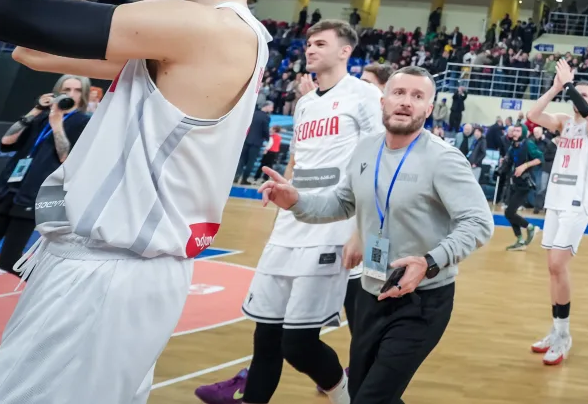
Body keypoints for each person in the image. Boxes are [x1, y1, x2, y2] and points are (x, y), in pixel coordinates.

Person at [0, 0, 281, 403]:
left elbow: (4, 11)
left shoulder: (205, 29)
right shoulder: (194, 39)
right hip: (106, 269)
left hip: (109, 275)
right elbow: (34, 49)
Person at [258, 67, 493, 403]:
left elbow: (478, 222)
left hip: (422, 301)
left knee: (372, 398)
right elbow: (342, 202)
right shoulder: (366, 149)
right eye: (399, 93)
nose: (406, 102)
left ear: (429, 109)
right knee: (364, 392)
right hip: (370, 292)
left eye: (417, 96)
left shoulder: (443, 159)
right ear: (383, 101)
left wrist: (429, 262)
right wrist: (297, 201)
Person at [196, 21, 385, 404]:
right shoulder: (305, 104)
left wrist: (361, 231)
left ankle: (347, 396)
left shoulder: (364, 95)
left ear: (345, 51)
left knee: (298, 343)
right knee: (265, 336)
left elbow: (377, 162)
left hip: (333, 225)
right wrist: (283, 190)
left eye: (321, 43)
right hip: (290, 223)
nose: (310, 49)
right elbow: (298, 160)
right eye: (309, 43)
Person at [526, 59, 588, 366]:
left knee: (558, 264)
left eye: (586, 95)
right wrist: (555, 87)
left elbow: (586, 112)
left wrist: (570, 85)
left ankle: (564, 335)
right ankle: (556, 330)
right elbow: (533, 116)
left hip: (577, 204)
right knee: (553, 269)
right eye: (578, 94)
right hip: (556, 201)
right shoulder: (563, 122)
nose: (580, 98)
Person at [0, 76, 92, 275]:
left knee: (9, 260)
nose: (71, 94)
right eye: (66, 89)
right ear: (57, 91)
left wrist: (57, 124)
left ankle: (48, 285)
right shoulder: (40, 117)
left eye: (77, 90)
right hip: (7, 191)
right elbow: (7, 141)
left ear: (83, 95)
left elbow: (65, 158)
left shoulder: (83, 122)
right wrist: (36, 109)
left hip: (34, 195)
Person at [502, 124, 543, 250]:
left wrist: (525, 166)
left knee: (509, 212)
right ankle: (520, 240)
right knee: (509, 213)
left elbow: (540, 158)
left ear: (523, 133)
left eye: (518, 131)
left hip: (525, 184)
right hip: (515, 182)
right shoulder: (513, 146)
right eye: (514, 130)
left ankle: (531, 228)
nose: (515, 133)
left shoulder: (528, 144)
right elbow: (510, 162)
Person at [238, 102, 273, 185]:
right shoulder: (266, 117)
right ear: (267, 106)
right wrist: (268, 138)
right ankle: (244, 179)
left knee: (242, 160)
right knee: (251, 161)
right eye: (271, 107)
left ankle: (236, 177)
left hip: (247, 139)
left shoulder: (253, 113)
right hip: (256, 142)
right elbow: (265, 130)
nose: (272, 109)